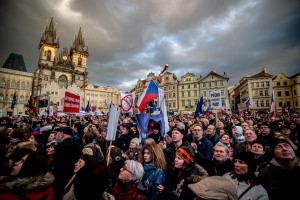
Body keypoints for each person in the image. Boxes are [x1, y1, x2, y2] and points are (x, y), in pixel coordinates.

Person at [52, 126, 83, 200]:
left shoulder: (65, 148)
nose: (55, 136)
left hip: (63, 180)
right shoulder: (74, 145)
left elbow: (61, 167)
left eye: (57, 134)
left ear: (62, 134)